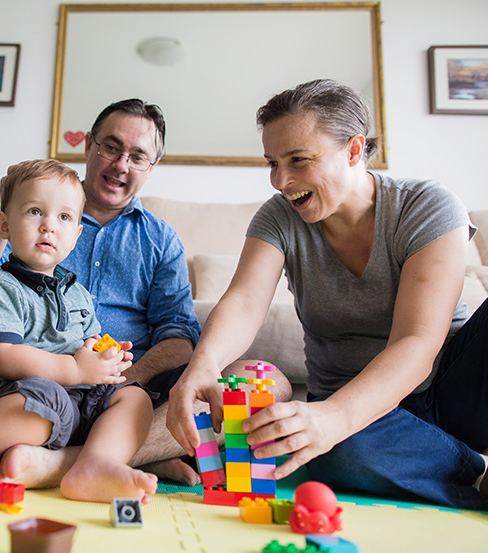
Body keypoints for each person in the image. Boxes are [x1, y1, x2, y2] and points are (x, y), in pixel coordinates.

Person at [0, 98, 292, 488]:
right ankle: (132, 453)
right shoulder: (36, 214)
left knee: (265, 384)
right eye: (110, 147)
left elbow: (179, 336)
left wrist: (119, 377)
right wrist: (10, 205)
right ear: (89, 146)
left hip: (126, 385)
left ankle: (60, 462)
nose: (120, 165)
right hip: (29, 377)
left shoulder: (160, 239)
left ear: (152, 167)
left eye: (137, 156)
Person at [166, 79, 488, 510]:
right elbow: (243, 301)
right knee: (332, 451)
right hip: (357, 409)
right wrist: (201, 367)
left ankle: (437, 459)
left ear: (354, 150)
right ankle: (471, 473)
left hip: (448, 390)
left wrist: (336, 419)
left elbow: (418, 341)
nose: (280, 180)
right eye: (273, 163)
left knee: (334, 437)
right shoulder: (280, 217)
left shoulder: (427, 206)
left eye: (298, 160)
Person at [0, 159, 158, 502]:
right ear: (4, 225)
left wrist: (107, 355)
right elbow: (1, 356)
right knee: (39, 401)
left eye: (64, 217)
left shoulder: (77, 292)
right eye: (35, 212)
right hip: (24, 397)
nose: (49, 227)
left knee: (135, 397)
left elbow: (90, 341)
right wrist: (73, 368)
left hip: (82, 399)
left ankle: (94, 464)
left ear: (76, 235)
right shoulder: (2, 286)